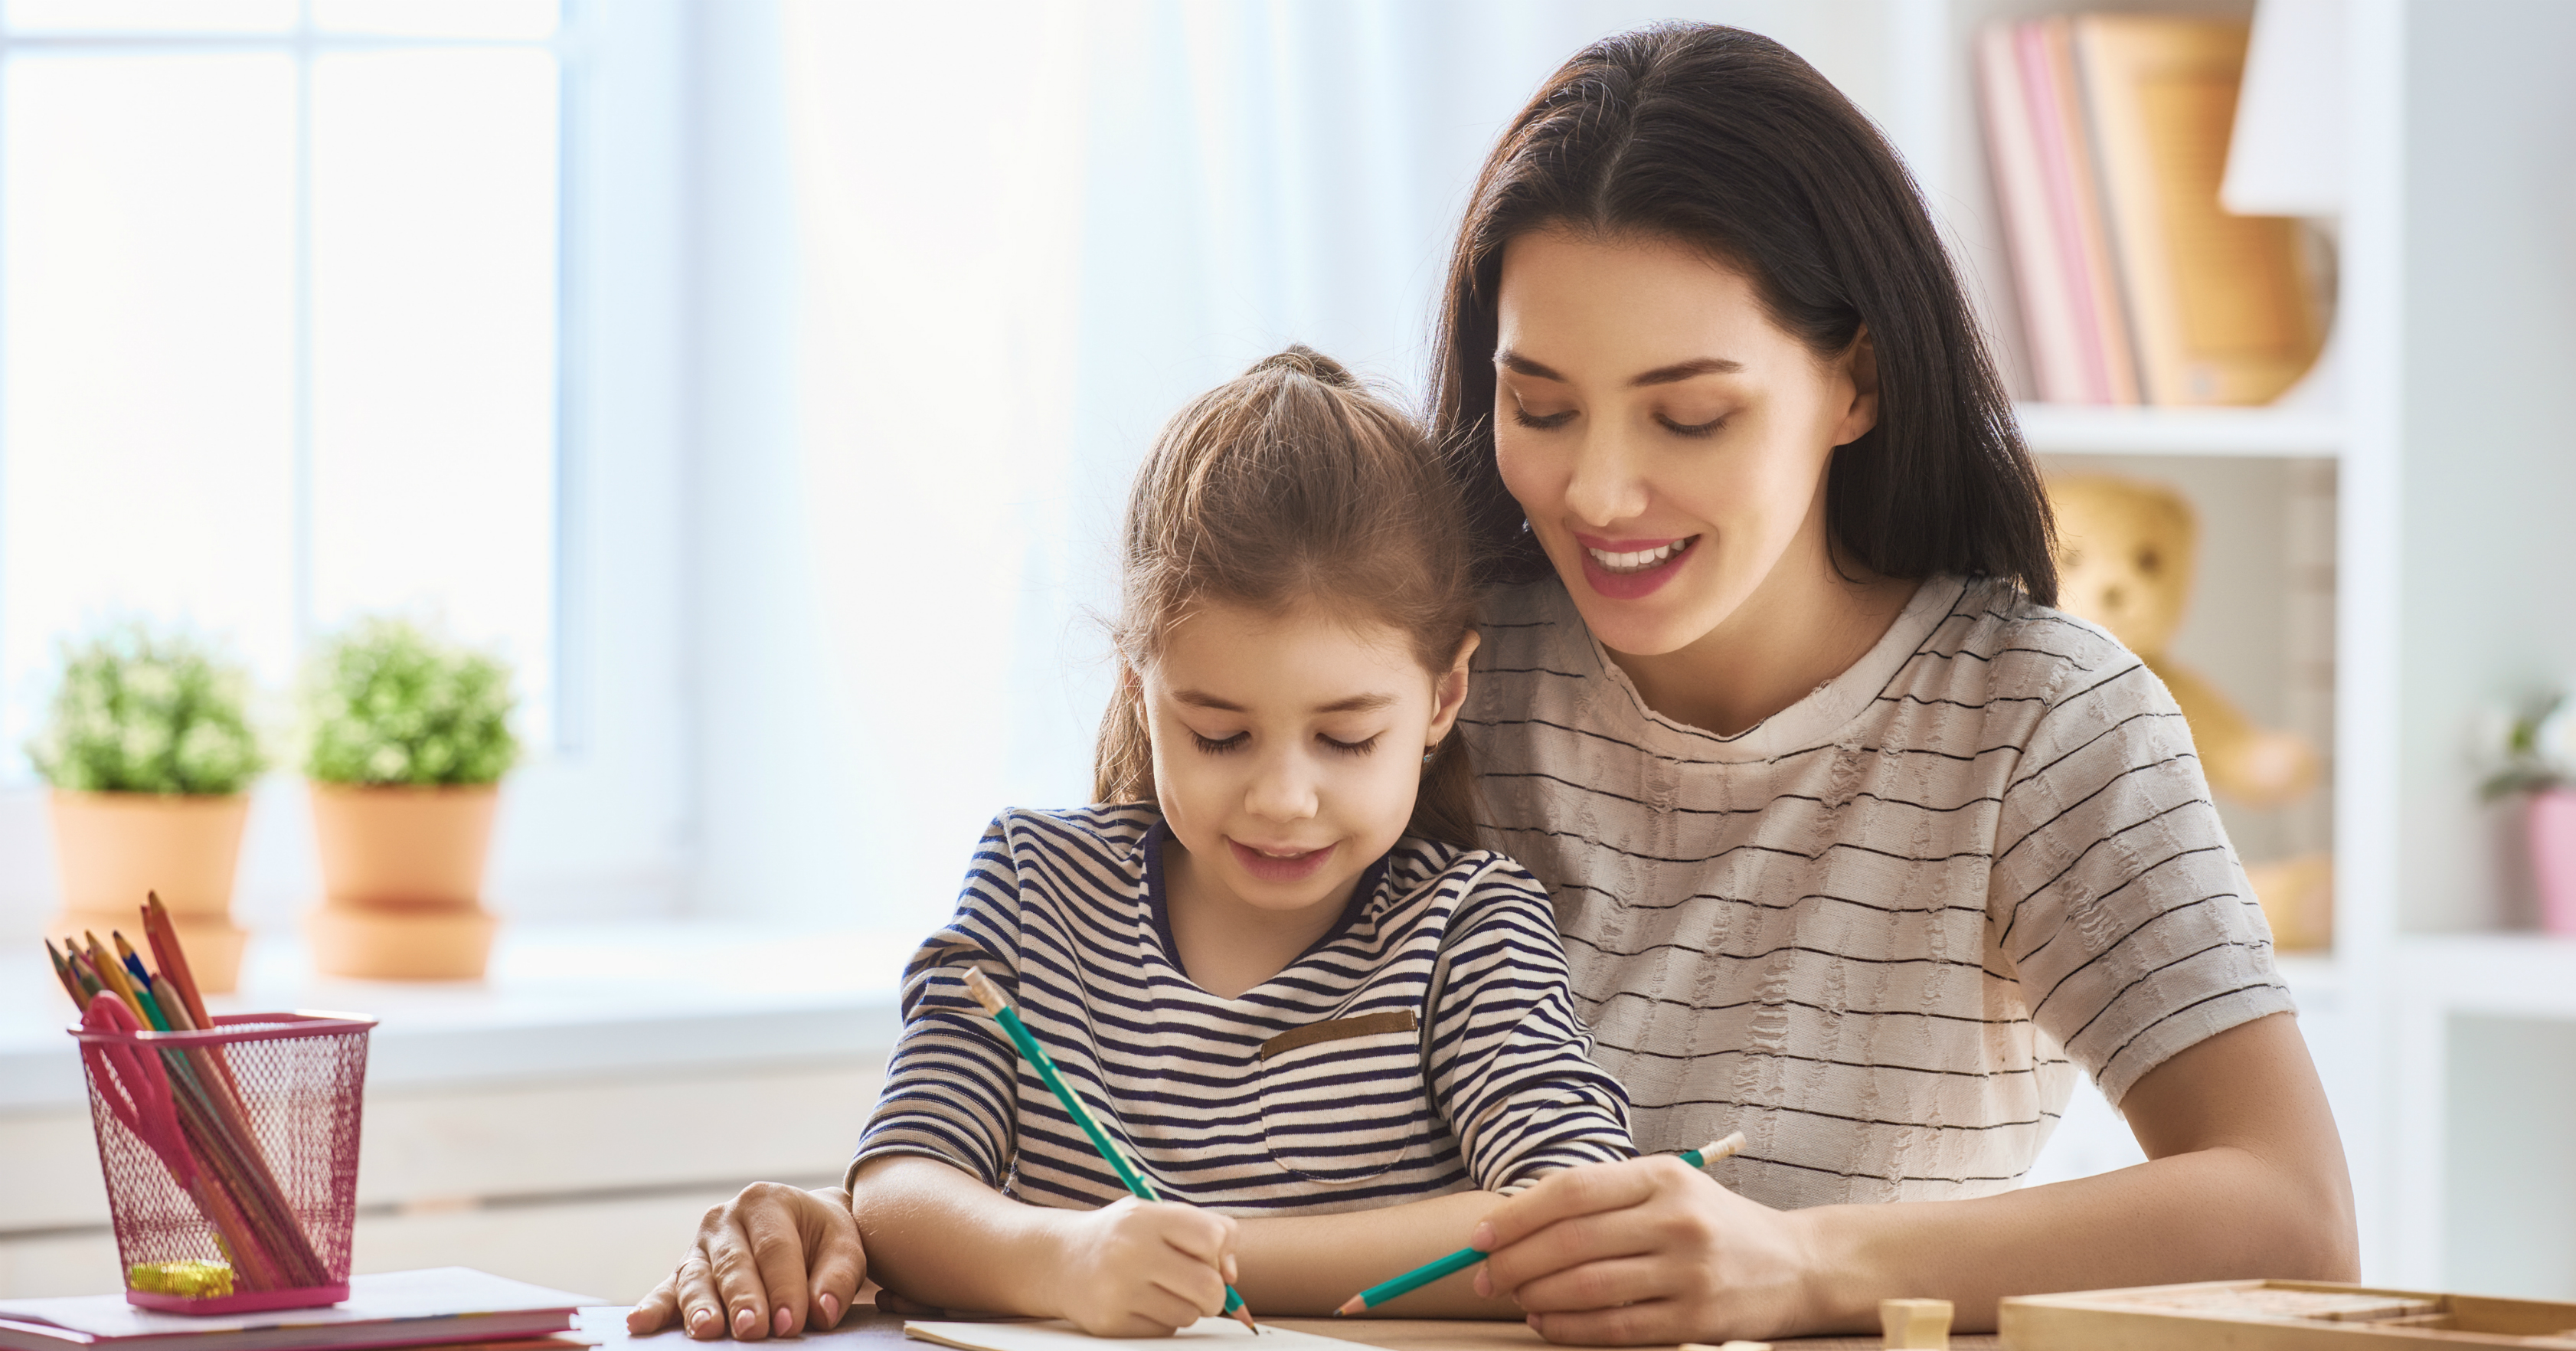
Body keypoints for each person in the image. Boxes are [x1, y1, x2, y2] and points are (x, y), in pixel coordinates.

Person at [627, 22, 2355, 1344]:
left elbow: (2286, 1217)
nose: (1597, 493)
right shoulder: (1419, 654)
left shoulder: (2038, 722)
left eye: (1688, 416)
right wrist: (898, 1220)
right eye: (1537, 406)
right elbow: (1129, 1049)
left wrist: (1804, 1261)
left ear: (1854, 385)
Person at [823, 348, 1635, 1337]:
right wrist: (1065, 1260)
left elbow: (1577, 1215)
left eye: (1346, 739)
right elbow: (904, 1188)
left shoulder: (1468, 924)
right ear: (1138, 686)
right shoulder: (1034, 887)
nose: (1284, 799)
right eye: (1219, 735)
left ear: (1444, 697)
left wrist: (1211, 1261)